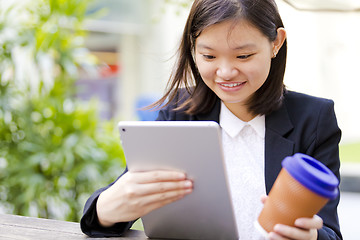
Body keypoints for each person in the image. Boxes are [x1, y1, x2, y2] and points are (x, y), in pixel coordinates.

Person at [80, 0, 342, 239]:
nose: (225, 72)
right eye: (209, 56)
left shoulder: (314, 119)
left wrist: (311, 237)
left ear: (276, 42)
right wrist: (106, 208)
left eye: (243, 56)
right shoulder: (178, 112)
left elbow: (329, 231)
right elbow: (110, 212)